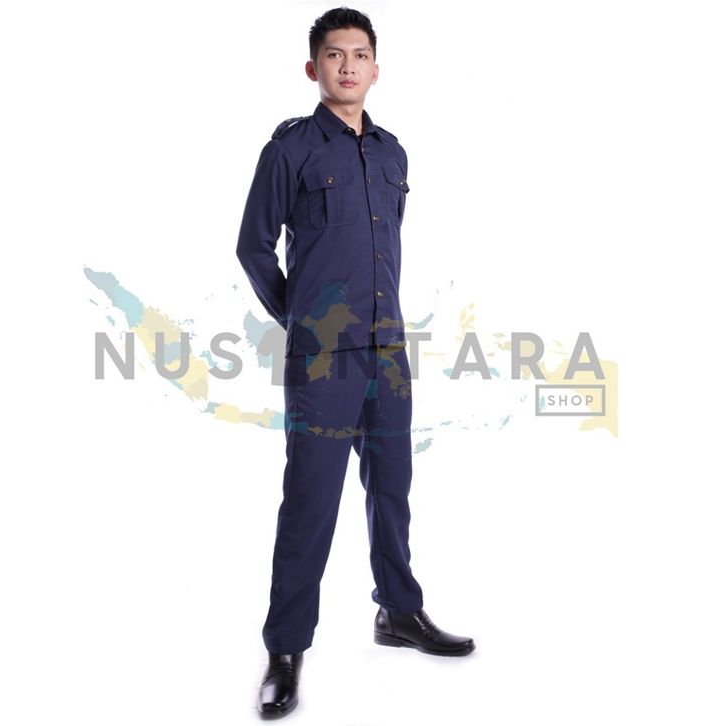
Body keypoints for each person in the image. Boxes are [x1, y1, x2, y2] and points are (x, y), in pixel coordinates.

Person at [236, 7, 475, 719]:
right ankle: (285, 651)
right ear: (313, 68)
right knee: (311, 502)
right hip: (324, 360)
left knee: (393, 489)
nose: (348, 65)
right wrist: (304, 318)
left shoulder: (393, 154)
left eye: (360, 54)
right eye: (335, 55)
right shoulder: (290, 150)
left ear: (375, 67)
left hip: (388, 351)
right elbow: (253, 246)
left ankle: (398, 611)